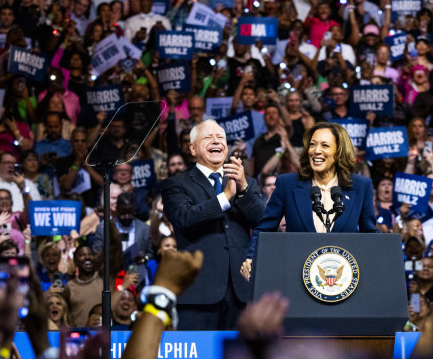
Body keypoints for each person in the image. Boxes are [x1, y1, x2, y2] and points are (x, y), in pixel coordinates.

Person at [160, 120, 264, 330]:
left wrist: (243, 189)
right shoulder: (177, 184)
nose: (216, 141)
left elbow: (262, 220)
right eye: (208, 137)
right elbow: (183, 218)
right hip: (197, 293)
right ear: (192, 148)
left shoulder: (247, 182)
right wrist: (225, 198)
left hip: (241, 293)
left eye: (221, 138)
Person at [241, 122, 377, 279]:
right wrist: (252, 258)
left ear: (339, 152)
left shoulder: (361, 186)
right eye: (313, 145)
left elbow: (370, 235)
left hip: (343, 280)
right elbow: (264, 229)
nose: (316, 151)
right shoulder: (287, 183)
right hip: (295, 277)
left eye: (325, 145)